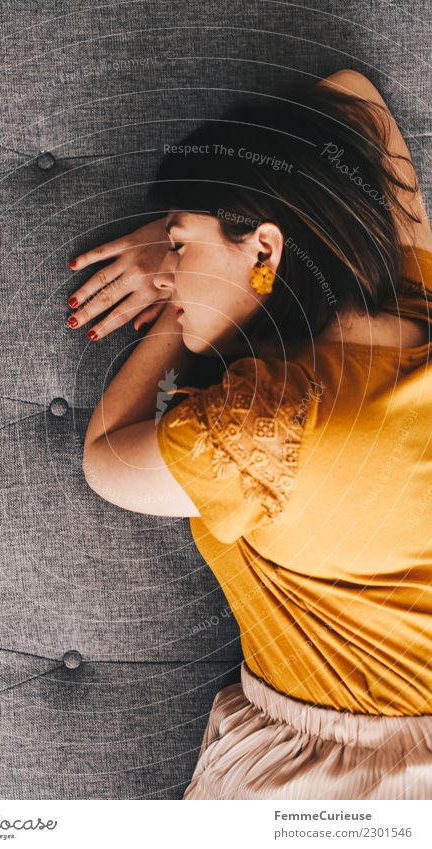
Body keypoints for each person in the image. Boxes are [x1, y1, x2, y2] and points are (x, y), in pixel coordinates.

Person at [68, 69, 432, 799]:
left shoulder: (257, 431)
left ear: (265, 250)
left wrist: (179, 312)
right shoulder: (411, 303)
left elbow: (106, 458)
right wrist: (204, 222)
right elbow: (356, 97)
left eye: (177, 246)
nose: (164, 274)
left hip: (331, 772)